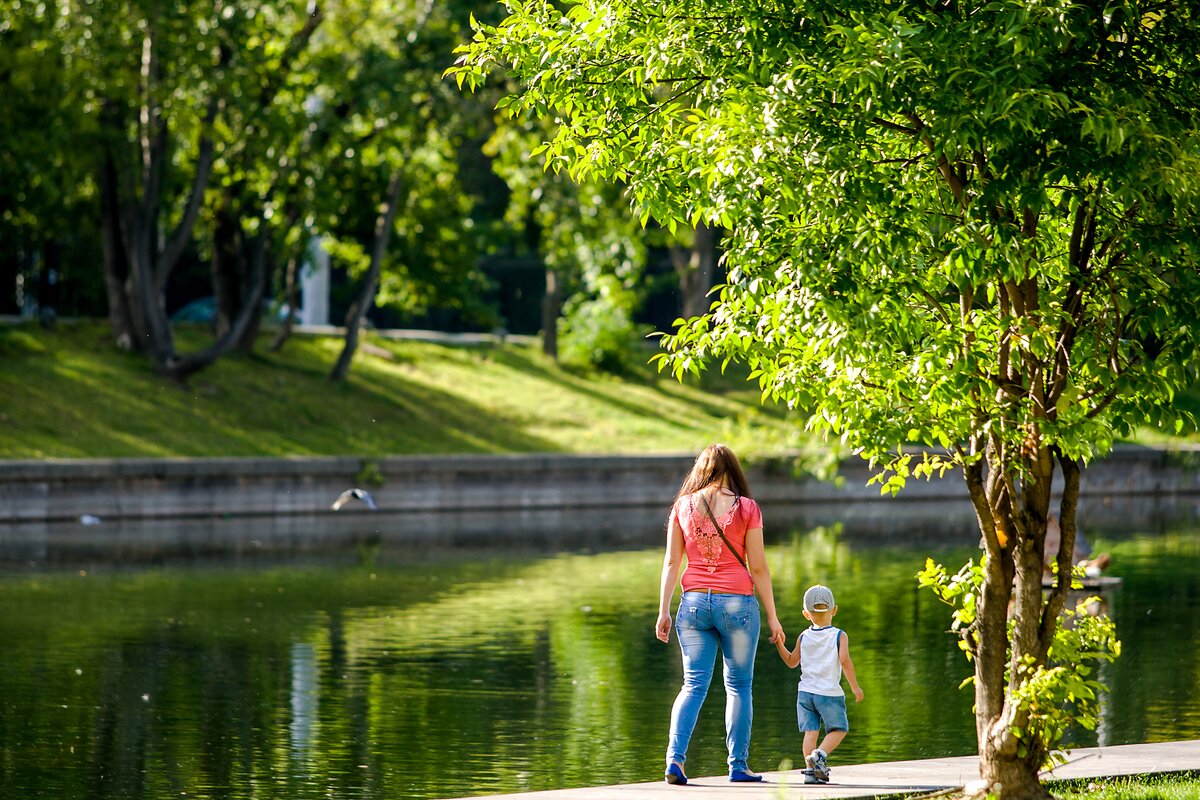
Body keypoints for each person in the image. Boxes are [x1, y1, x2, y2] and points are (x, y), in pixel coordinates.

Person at [655, 444, 785, 785]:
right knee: (739, 686)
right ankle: (738, 766)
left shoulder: (682, 506)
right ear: (734, 470)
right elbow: (758, 567)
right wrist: (773, 616)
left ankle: (674, 761)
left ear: (701, 470)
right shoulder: (747, 508)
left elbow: (671, 562)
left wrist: (663, 610)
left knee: (693, 685)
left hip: (693, 605)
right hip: (737, 606)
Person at [774, 584, 864, 785]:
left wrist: (779, 643)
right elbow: (845, 660)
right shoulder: (840, 635)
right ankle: (820, 755)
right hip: (829, 693)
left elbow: (791, 661)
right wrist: (855, 687)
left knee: (811, 732)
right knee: (839, 729)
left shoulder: (803, 636)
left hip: (805, 693)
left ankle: (810, 773)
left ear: (806, 614)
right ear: (834, 610)